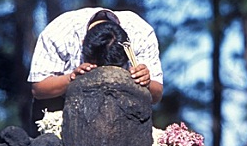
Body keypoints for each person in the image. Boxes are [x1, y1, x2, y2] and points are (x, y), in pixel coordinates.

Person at [27, 7, 163, 132]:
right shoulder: (59, 33)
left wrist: (146, 81)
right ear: (82, 44)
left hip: (119, 116)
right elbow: (38, 88)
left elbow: (156, 95)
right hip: (61, 112)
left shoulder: (141, 34)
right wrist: (71, 79)